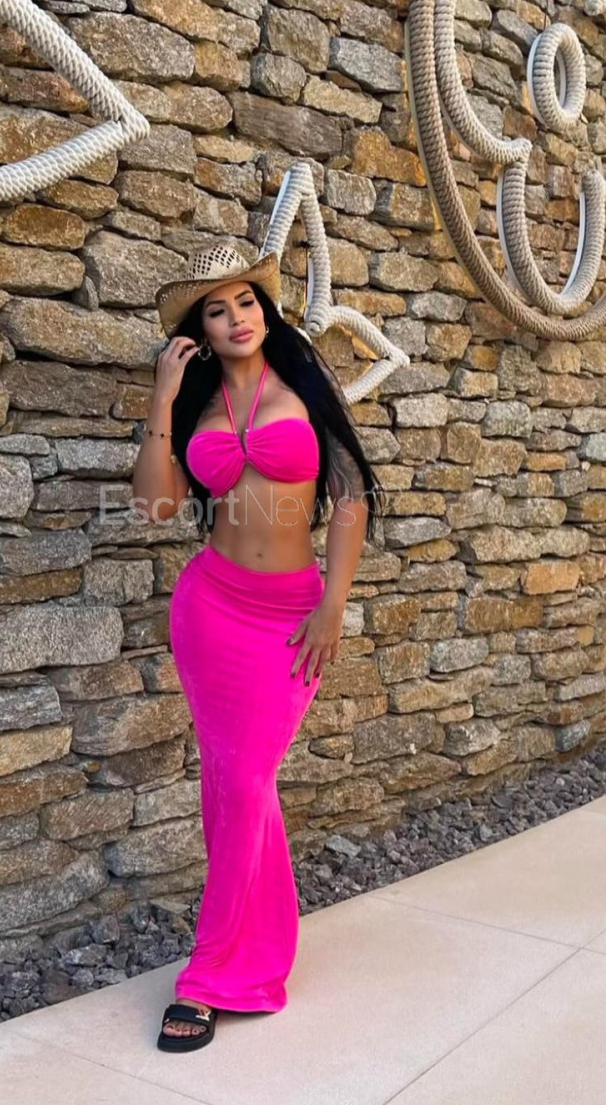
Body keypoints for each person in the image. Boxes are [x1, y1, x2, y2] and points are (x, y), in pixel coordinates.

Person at [130, 241, 386, 1052]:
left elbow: (349, 494)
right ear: (199, 330)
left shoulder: (303, 385)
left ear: (264, 310)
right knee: (234, 784)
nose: (236, 317)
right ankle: (241, 959)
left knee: (244, 781)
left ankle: (211, 974)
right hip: (210, 609)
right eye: (217, 308)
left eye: (246, 300)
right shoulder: (196, 403)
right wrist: (163, 396)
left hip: (289, 613)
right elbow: (156, 507)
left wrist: (332, 604)